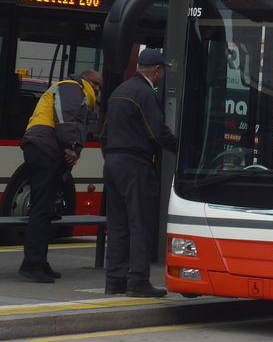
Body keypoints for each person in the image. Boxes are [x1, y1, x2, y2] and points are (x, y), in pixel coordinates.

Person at [101, 49, 177, 297]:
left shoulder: (119, 91)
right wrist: (181, 148)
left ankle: (114, 280)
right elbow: (157, 132)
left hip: (112, 161)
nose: (162, 75)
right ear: (156, 70)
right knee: (140, 222)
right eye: (162, 71)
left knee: (118, 223)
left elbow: (104, 133)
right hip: (135, 163)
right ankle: (138, 281)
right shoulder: (145, 93)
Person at [17, 70, 103, 283]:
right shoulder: (73, 87)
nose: (97, 88)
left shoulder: (71, 88)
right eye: (95, 83)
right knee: (42, 209)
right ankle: (32, 264)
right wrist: (71, 146)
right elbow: (66, 116)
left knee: (45, 209)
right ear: (84, 79)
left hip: (40, 146)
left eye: (100, 85)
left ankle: (39, 261)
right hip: (45, 148)